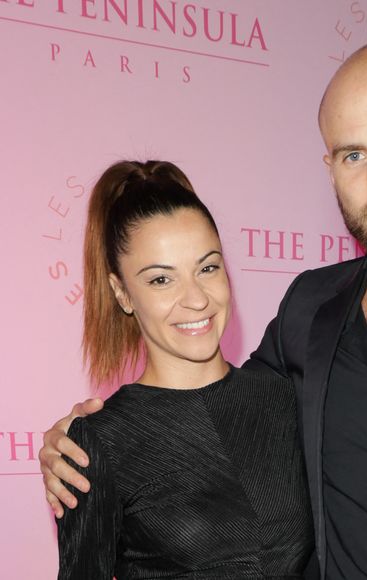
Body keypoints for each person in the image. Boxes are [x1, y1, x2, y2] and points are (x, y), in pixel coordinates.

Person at [41, 42, 367, 579]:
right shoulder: (307, 310)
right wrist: (80, 444)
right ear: (330, 170)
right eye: (353, 155)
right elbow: (211, 408)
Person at [51, 159, 314, 579]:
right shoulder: (99, 443)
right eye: (161, 280)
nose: (196, 299)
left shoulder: (281, 397)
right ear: (122, 293)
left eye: (207, 268)